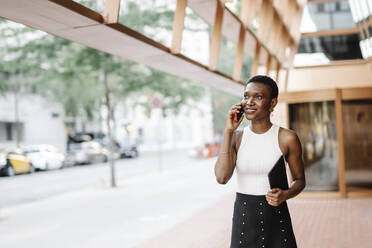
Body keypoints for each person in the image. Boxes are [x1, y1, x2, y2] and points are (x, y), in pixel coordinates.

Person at [214, 75, 306, 248]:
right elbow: (221, 178)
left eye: (258, 97)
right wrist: (228, 131)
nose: (249, 102)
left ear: (272, 103)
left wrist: (285, 194)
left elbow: (300, 180)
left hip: (276, 218)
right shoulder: (236, 138)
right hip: (243, 219)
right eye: (246, 96)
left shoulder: (287, 138)